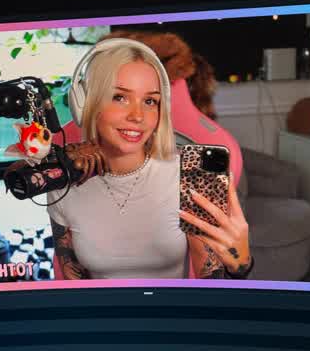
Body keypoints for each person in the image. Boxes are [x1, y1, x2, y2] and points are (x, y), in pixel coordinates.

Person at [47, 38, 252, 280]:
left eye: (150, 101)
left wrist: (240, 267)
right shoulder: (62, 181)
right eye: (120, 97)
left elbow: (210, 282)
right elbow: (73, 281)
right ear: (86, 102)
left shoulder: (194, 174)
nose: (138, 116)